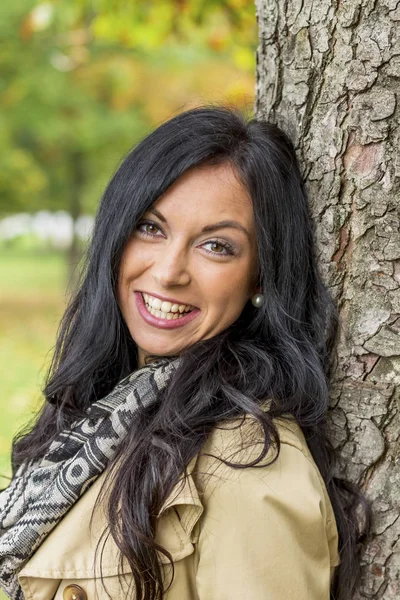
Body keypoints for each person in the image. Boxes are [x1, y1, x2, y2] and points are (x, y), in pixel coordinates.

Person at [0, 106, 370, 600]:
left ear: (260, 275)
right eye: (151, 228)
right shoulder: (110, 409)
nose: (169, 271)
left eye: (217, 246)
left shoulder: (249, 469)